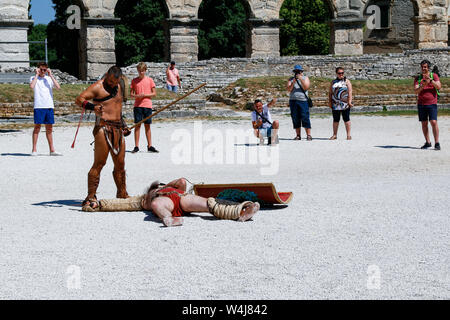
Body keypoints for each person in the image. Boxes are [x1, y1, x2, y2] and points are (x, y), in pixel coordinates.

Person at [82, 177, 260, 228]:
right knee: (156, 206)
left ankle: (242, 211)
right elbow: (123, 204)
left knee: (209, 205)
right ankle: (169, 219)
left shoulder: (170, 187)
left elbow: (182, 181)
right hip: (164, 202)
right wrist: (101, 205)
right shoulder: (144, 198)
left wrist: (165, 186)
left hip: (180, 199)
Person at [75, 66, 131, 210]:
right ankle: (91, 196)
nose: (112, 84)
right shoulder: (98, 86)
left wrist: (123, 124)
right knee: (99, 163)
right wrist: (92, 107)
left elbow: (117, 107)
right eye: (110, 81)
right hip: (103, 128)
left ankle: (122, 193)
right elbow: (79, 99)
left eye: (115, 82)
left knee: (120, 165)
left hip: (118, 128)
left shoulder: (119, 86)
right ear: (107, 75)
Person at [29, 62, 62, 156]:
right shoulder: (33, 78)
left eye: (44, 69)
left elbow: (58, 87)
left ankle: (52, 150)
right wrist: (36, 74)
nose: (42, 71)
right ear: (38, 69)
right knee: (37, 127)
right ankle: (34, 150)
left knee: (49, 128)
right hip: (39, 106)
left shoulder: (49, 79)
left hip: (49, 106)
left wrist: (50, 75)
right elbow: (32, 86)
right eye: (41, 69)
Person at [130, 62, 159, 153]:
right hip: (138, 106)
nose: (141, 73)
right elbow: (131, 94)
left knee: (147, 126)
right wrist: (137, 96)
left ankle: (150, 145)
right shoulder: (134, 81)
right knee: (137, 126)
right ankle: (136, 146)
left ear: (145, 71)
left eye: (142, 71)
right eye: (139, 71)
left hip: (147, 105)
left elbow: (154, 93)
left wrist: (145, 95)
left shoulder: (150, 80)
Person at [414, 60, 442, 150]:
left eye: (425, 67)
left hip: (432, 103)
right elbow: (416, 91)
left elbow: (439, 86)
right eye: (422, 67)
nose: (423, 68)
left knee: (433, 122)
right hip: (421, 104)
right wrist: (423, 85)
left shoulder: (433, 76)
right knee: (424, 123)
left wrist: (431, 81)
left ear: (428, 67)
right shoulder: (418, 78)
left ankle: (437, 142)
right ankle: (428, 142)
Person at [287, 64, 312, 141]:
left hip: (303, 100)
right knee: (295, 117)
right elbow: (288, 89)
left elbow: (306, 87)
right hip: (293, 100)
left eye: (299, 71)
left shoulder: (305, 78)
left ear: (301, 71)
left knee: (305, 117)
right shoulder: (291, 79)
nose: (297, 73)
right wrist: (293, 82)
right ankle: (298, 135)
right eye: (296, 71)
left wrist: (301, 79)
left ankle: (308, 135)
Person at [328, 67, 353, 140]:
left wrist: (349, 101)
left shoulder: (347, 81)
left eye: (342, 73)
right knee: (336, 120)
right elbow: (330, 92)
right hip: (335, 103)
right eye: (339, 73)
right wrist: (329, 102)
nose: (341, 74)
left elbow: (350, 91)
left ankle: (348, 135)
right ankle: (335, 135)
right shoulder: (333, 82)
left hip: (345, 103)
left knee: (346, 119)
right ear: (336, 73)